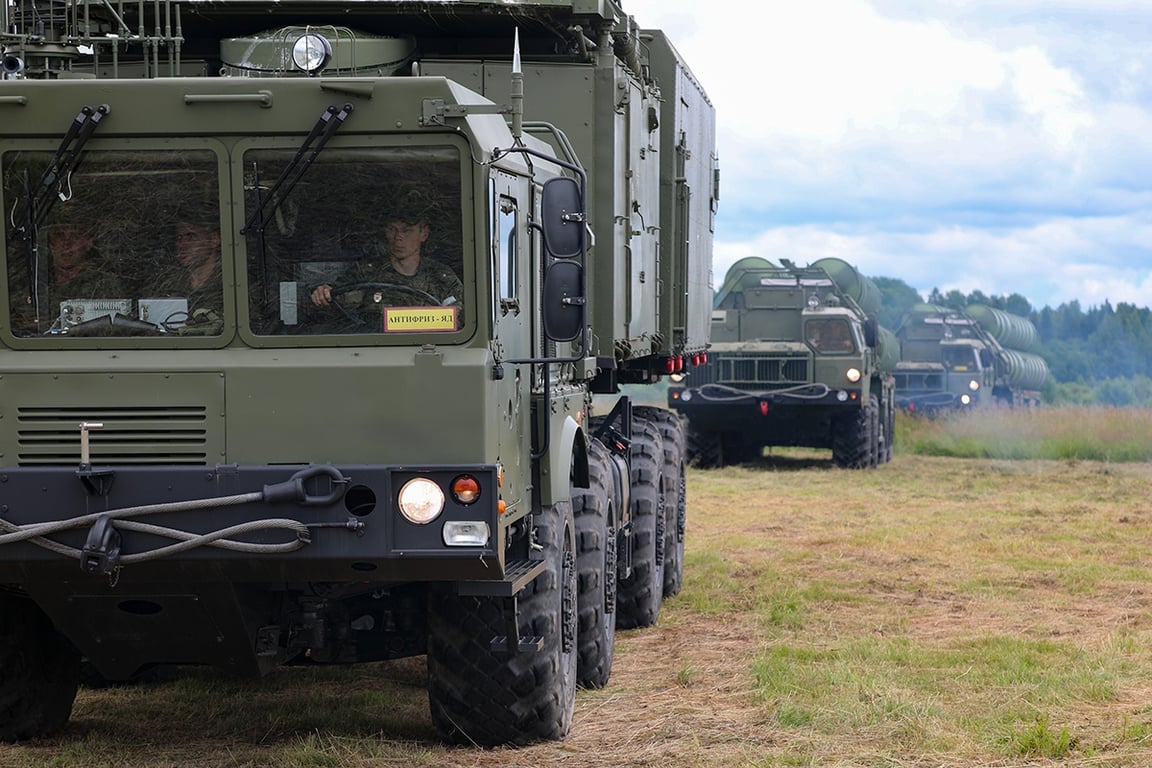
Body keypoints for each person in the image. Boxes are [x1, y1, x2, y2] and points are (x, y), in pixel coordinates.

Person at [309, 187, 464, 328]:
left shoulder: (441, 277)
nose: (398, 237)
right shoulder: (365, 274)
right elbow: (334, 301)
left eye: (407, 230)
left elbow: (462, 318)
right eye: (392, 229)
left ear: (424, 234)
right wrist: (322, 293)